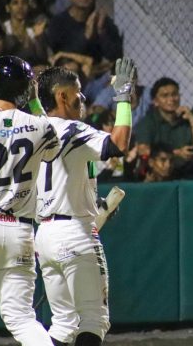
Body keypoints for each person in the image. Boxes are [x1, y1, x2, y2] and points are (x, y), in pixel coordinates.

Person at [34, 57, 136, 346]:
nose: (83, 97)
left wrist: (92, 201)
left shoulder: (36, 128)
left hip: (45, 234)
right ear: (61, 96)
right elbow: (118, 143)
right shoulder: (73, 130)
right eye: (76, 92)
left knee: (64, 323)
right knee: (94, 319)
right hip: (75, 233)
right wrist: (124, 98)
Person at [0, 55, 60, 346]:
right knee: (22, 318)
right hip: (19, 232)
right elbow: (53, 149)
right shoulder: (40, 126)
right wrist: (33, 99)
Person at [135, 76, 193, 180]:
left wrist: (192, 120)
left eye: (174, 94)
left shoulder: (187, 119)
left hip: (190, 173)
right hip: (160, 176)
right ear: (155, 101)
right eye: (165, 96)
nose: (171, 99)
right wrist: (177, 153)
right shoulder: (148, 123)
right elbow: (144, 151)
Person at [46, 0, 123, 72]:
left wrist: (101, 31)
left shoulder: (101, 20)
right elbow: (61, 56)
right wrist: (85, 36)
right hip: (71, 76)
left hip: (97, 76)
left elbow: (114, 55)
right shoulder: (58, 22)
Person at [3, 0, 48, 65]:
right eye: (15, 3)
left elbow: (42, 58)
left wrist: (38, 38)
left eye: (24, 2)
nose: (20, 7)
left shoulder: (34, 29)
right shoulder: (3, 29)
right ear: (7, 8)